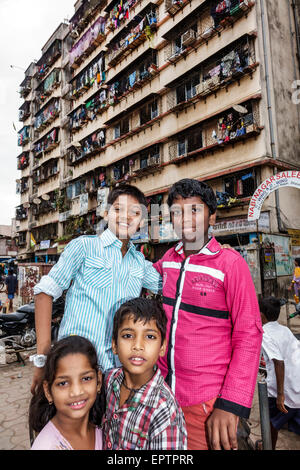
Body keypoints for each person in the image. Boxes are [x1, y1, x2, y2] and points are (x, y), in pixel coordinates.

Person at [153, 178, 263, 450]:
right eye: (177, 211)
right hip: (162, 397)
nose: (185, 218)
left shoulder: (231, 264)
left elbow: (249, 335)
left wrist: (230, 404)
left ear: (211, 216)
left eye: (194, 209)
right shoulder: (166, 261)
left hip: (207, 404)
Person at [31, 184, 162, 393]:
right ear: (105, 213)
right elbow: (44, 292)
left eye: (135, 212)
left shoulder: (139, 262)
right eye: (118, 209)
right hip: (75, 369)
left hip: (116, 374)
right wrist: (43, 359)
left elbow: (174, 282)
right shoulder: (84, 247)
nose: (126, 217)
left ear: (142, 221)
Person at [102, 297, 187, 450]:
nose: (138, 345)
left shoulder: (164, 411)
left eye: (150, 336)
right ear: (114, 344)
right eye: (128, 335)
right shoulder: (109, 380)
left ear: (162, 347)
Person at [29, 335, 104, 450]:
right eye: (63, 383)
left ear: (98, 381)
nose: (76, 392)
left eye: (86, 378)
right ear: (48, 391)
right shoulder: (47, 446)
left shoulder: (102, 430)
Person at [259, 296, 300, 450]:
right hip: (296, 384)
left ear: (261, 315)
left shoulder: (265, 333)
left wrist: (281, 395)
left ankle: (269, 446)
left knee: (270, 422)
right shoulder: (285, 329)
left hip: (283, 391)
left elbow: (278, 362)